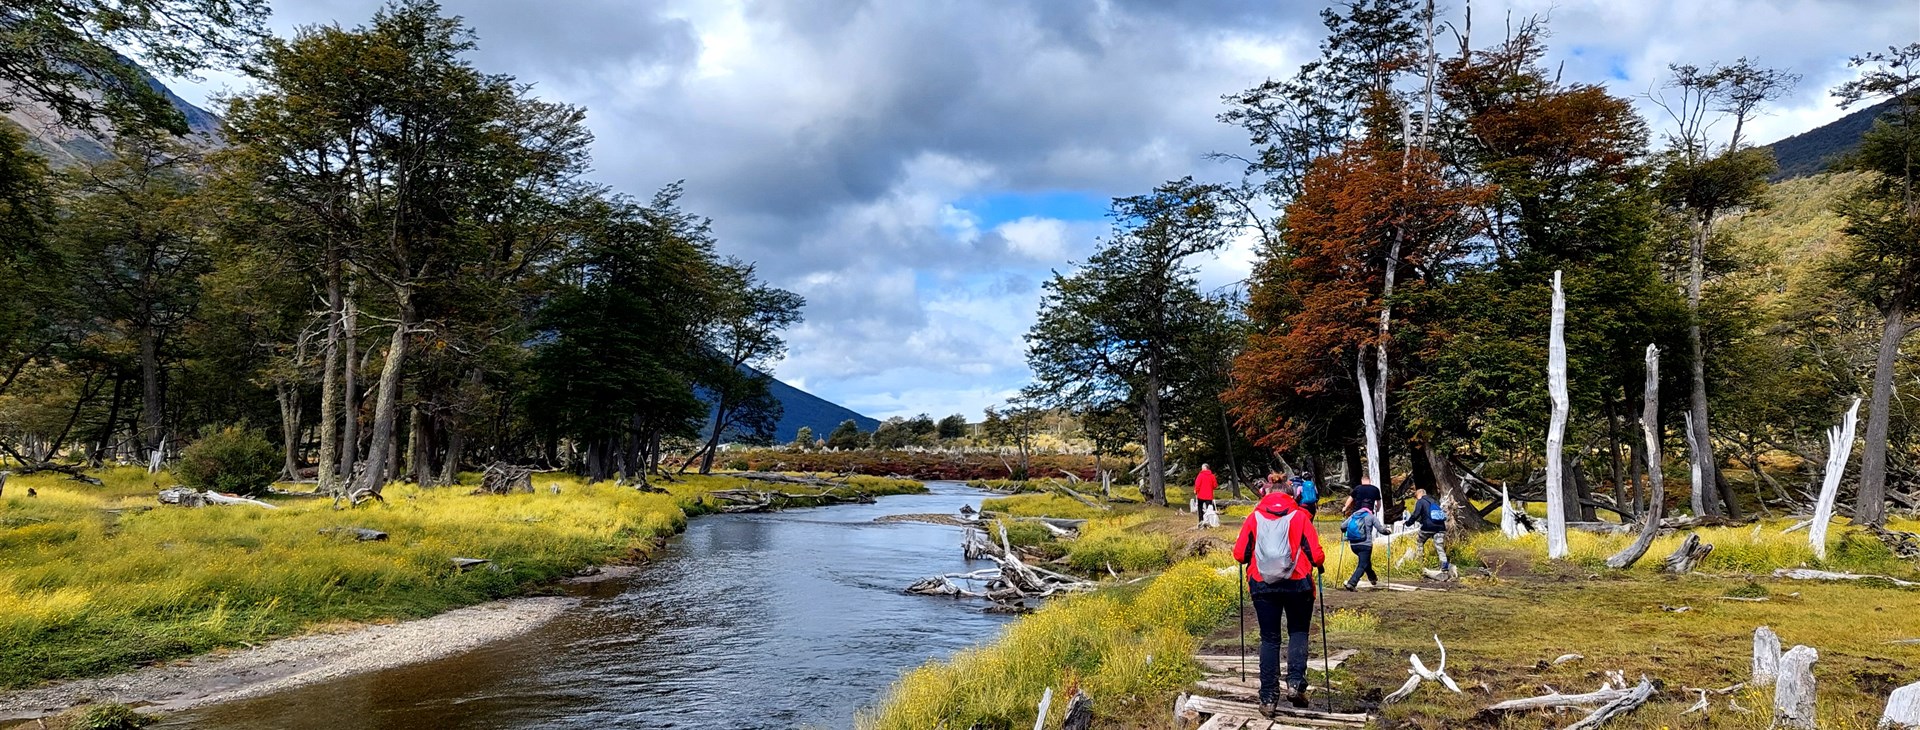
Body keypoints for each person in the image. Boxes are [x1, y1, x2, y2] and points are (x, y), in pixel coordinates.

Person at [1233, 476, 1326, 714]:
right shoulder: (1301, 516)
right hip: (1298, 584)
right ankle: (1295, 683)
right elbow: (1316, 556)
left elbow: (1239, 554)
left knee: (1270, 639)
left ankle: (1268, 699)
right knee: (1297, 631)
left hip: (1262, 584)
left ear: (1266, 494)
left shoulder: (1254, 517)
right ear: (1292, 495)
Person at [1340, 498, 1390, 590]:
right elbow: (1381, 530)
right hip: (1365, 545)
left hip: (1353, 545)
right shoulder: (1371, 516)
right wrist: (1388, 532)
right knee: (1362, 565)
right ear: (1371, 508)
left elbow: (1343, 526)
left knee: (1366, 561)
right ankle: (1352, 583)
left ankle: (1372, 578)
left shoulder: (1354, 515)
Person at [1401, 488, 1451, 572]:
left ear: (1419, 494)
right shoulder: (1435, 501)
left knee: (1419, 542)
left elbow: (1415, 514)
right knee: (1439, 547)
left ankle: (1420, 563)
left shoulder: (1420, 501)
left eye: (1416, 496)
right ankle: (1444, 565)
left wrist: (1407, 523)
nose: (1416, 498)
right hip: (1440, 527)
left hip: (1427, 527)